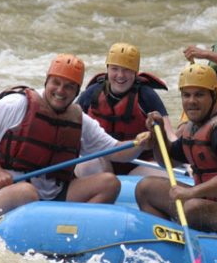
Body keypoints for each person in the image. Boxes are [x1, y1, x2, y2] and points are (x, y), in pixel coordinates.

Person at [0, 54, 150, 222]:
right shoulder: (17, 104)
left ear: (77, 92)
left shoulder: (80, 121)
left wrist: (142, 142)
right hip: (5, 193)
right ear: (46, 82)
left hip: (54, 195)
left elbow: (118, 151)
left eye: (69, 87)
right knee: (27, 193)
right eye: (56, 83)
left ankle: (78, 229)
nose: (61, 91)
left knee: (109, 183)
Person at [135, 63, 217, 237]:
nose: (191, 101)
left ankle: (189, 241)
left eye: (199, 95)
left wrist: (192, 192)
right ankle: (167, 241)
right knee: (146, 188)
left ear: (213, 96)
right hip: (210, 202)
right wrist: (157, 134)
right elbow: (167, 162)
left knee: (192, 207)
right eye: (186, 95)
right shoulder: (193, 128)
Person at [75, 42, 175, 176]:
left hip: (140, 165)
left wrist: (187, 161)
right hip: (103, 163)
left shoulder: (146, 96)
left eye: (127, 70)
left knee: (163, 176)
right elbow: (69, 125)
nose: (120, 75)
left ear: (135, 72)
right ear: (107, 69)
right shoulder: (92, 94)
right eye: (115, 69)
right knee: (87, 164)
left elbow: (169, 135)